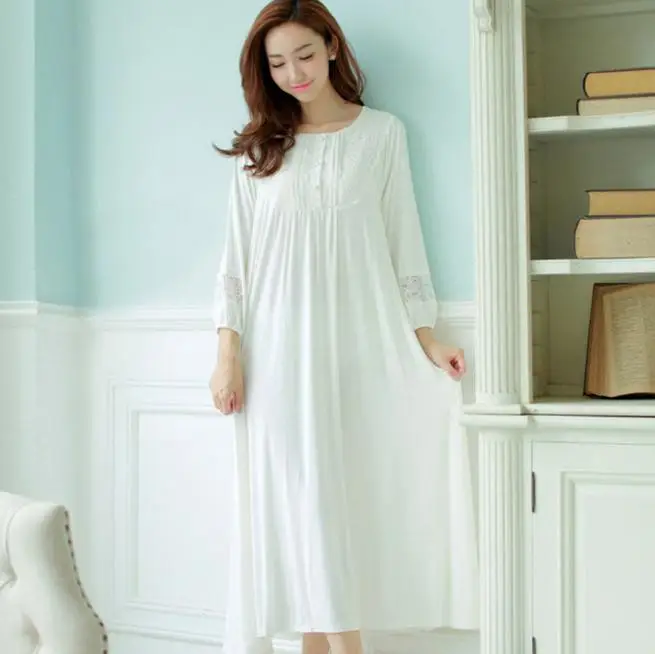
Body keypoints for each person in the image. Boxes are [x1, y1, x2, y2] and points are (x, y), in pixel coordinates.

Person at [209, 2, 478, 654]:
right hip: (276, 352)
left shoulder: (382, 134)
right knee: (300, 501)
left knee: (342, 498)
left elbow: (403, 238)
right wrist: (227, 354)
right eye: (277, 63)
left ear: (332, 46)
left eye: (304, 54)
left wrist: (426, 337)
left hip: (360, 341)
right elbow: (235, 263)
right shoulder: (258, 150)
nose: (293, 73)